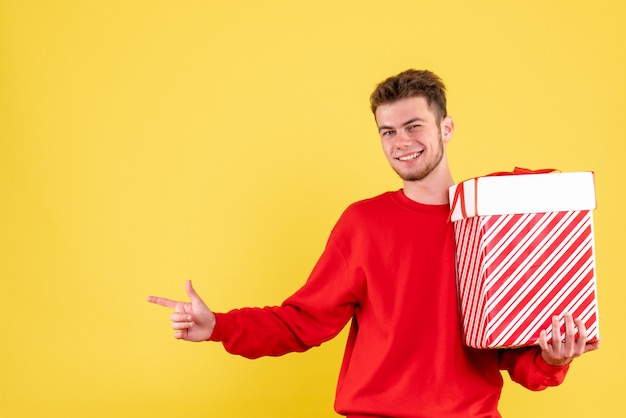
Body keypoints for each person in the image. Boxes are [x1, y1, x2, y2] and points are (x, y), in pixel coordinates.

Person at [147, 69, 599, 417]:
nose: (401, 142)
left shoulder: (497, 218)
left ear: (446, 128)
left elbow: (516, 356)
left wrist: (552, 359)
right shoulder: (363, 224)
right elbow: (302, 323)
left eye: (414, 125)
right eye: (388, 131)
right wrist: (219, 327)